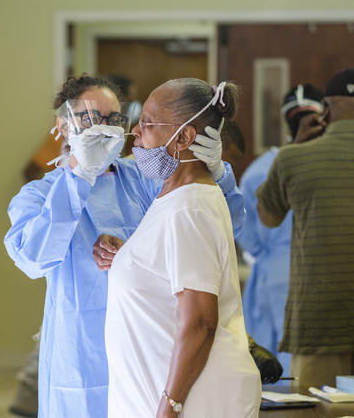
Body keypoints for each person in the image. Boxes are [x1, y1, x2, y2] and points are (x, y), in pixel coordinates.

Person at [4, 74, 245, 418]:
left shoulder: (145, 180)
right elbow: (32, 258)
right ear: (63, 125)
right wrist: (79, 178)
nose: (104, 128)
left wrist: (217, 171)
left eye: (113, 119)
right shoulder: (39, 195)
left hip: (150, 349)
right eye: (90, 119)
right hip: (81, 358)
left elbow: (223, 224)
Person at [101, 79, 260, 417]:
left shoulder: (190, 206)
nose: (136, 133)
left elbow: (201, 321)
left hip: (192, 403)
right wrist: (129, 260)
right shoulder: (173, 198)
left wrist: (170, 406)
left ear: (184, 137)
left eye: (148, 122)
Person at [256, 68, 354, 390]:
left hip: (318, 322)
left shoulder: (293, 159)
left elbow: (268, 217)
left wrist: (295, 147)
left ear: (326, 108)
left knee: (315, 410)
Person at [238, 84, 325, 377]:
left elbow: (244, 231)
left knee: (271, 366)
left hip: (271, 275)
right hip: (318, 271)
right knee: (312, 367)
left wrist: (269, 253)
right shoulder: (330, 163)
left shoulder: (260, 171)